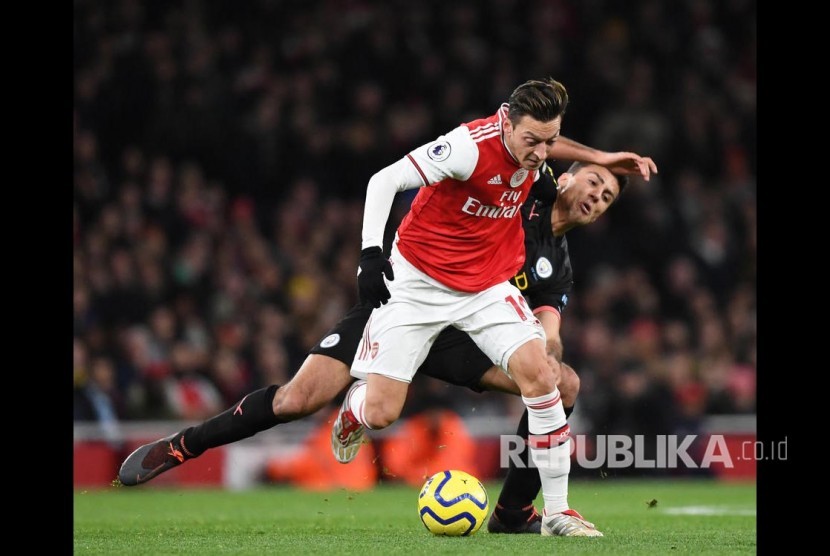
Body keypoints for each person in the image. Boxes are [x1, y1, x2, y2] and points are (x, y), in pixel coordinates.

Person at [117, 81, 655, 533]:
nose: (596, 195)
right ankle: (188, 443)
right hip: (411, 293)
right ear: (568, 173)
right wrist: (370, 258)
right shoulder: (511, 166)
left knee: (558, 383)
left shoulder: (553, 254)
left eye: (607, 196)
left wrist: (547, 345)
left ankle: (520, 513)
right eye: (594, 182)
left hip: (468, 323)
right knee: (300, 400)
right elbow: (512, 146)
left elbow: (549, 316)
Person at [331, 77, 622, 538]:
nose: (541, 153)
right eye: (532, 141)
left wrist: (590, 159)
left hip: (486, 284)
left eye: (549, 142)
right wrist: (370, 254)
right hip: (418, 284)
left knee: (543, 374)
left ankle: (558, 512)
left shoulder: (537, 157)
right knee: (383, 411)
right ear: (506, 122)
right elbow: (383, 179)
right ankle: (354, 408)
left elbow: (546, 157)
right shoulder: (468, 146)